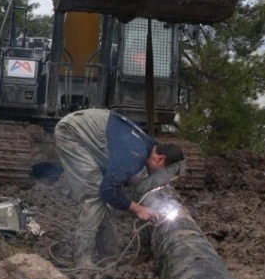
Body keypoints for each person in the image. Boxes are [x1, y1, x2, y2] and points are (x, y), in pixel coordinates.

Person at [53, 108, 185, 268]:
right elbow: (107, 191)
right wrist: (137, 209)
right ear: (160, 159)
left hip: (84, 129)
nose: (161, 179)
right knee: (94, 195)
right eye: (164, 174)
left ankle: (108, 255)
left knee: (99, 193)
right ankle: (82, 261)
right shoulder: (135, 153)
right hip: (71, 133)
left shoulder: (146, 147)